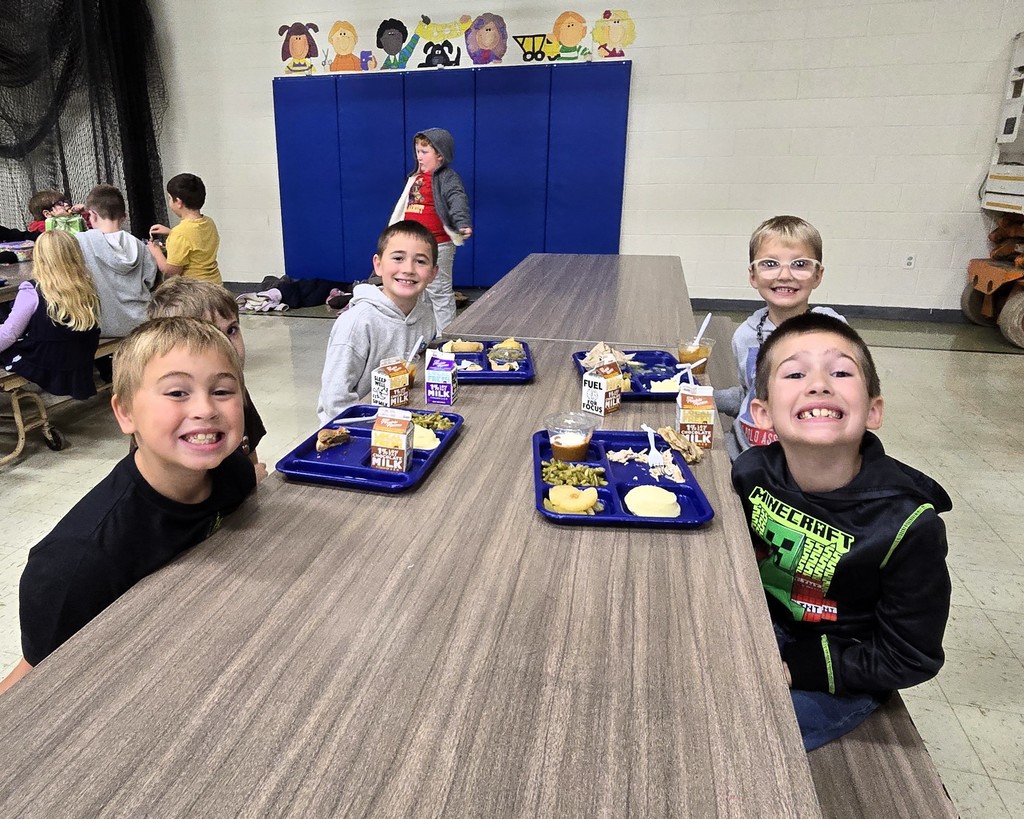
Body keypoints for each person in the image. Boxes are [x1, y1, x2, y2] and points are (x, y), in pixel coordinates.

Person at [0, 316, 257, 695]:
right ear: (125, 413)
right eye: (176, 393)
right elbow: (36, 681)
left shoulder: (233, 471)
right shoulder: (76, 562)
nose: (206, 409)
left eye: (222, 391)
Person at [731, 312, 951, 751]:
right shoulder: (752, 471)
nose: (818, 384)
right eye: (795, 372)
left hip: (844, 666)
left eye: (840, 371)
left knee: (742, 738)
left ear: (874, 410)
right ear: (763, 413)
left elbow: (911, 656)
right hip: (764, 627)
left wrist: (802, 667)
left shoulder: (909, 526)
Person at [715, 215, 846, 460]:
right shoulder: (745, 335)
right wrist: (705, 396)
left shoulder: (832, 330)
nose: (785, 275)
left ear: (817, 275)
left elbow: (844, 402)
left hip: (804, 459)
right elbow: (750, 393)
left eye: (800, 264)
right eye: (770, 264)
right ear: (753, 275)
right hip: (745, 452)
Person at [317, 220, 437, 423]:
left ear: (433, 273)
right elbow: (335, 401)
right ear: (378, 265)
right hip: (353, 429)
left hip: (401, 417)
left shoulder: (426, 316)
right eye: (398, 258)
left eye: (421, 261)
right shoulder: (357, 323)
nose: (408, 269)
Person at [147, 277, 267, 477]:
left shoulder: (232, 390)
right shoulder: (165, 413)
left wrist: (250, 479)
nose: (228, 347)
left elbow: (248, 453)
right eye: (208, 336)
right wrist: (251, 480)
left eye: (231, 330)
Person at [0, 230, 101, 399]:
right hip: (79, 357)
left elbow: (10, 333)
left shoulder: (32, 290)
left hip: (46, 362)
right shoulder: (86, 285)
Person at [388, 128, 471, 332]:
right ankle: (425, 334)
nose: (419, 156)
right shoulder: (414, 178)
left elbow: (457, 198)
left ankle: (446, 338)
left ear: (440, 156)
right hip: (413, 247)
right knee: (418, 292)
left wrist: (461, 222)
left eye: (424, 152)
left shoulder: (447, 178)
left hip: (437, 245)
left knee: (439, 292)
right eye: (417, 151)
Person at [76, 184, 158, 337]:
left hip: (103, 326)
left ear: (91, 215)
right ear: (124, 217)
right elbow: (150, 281)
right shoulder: (140, 246)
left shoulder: (81, 242)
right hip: (141, 322)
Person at [147, 173, 222, 285]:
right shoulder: (209, 222)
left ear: (178, 202)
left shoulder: (180, 234)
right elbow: (195, 240)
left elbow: (171, 273)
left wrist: (155, 251)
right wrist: (170, 232)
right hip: (216, 286)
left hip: (196, 293)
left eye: (169, 198)